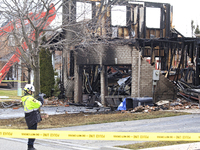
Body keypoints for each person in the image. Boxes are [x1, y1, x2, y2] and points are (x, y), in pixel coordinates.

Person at [21, 84, 43, 150]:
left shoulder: (25, 98)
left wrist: (36, 100)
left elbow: (32, 104)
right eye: (32, 91)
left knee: (31, 131)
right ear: (29, 91)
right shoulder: (30, 99)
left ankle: (30, 146)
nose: (32, 92)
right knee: (33, 131)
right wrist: (41, 100)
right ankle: (30, 146)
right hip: (32, 116)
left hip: (28, 116)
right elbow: (38, 104)